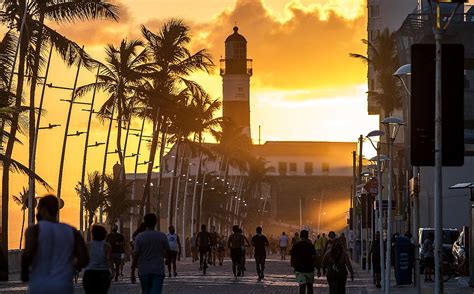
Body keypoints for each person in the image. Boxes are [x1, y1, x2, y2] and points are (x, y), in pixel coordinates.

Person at [21, 195, 89, 294]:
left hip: (39, 286)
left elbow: (28, 254)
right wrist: (69, 267)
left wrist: (24, 274)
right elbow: (84, 259)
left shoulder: (34, 230)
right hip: (64, 286)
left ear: (43, 209)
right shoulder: (72, 231)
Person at [131, 213, 170, 294]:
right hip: (158, 270)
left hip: (144, 270)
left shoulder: (139, 237)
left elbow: (136, 255)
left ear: (145, 222)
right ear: (155, 222)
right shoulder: (162, 236)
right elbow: (168, 251)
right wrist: (168, 260)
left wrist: (132, 271)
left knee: (146, 291)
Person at [83, 225, 113, 294]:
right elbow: (109, 260)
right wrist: (113, 271)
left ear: (93, 234)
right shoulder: (107, 246)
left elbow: (84, 259)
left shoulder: (87, 246)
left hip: (90, 273)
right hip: (103, 273)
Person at [291, 230, 316, 294]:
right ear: (307, 236)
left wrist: (293, 266)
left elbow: (293, 257)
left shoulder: (296, 245)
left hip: (299, 269)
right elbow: (314, 258)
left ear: (300, 236)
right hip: (309, 269)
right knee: (310, 287)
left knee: (302, 287)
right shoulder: (311, 246)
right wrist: (318, 269)